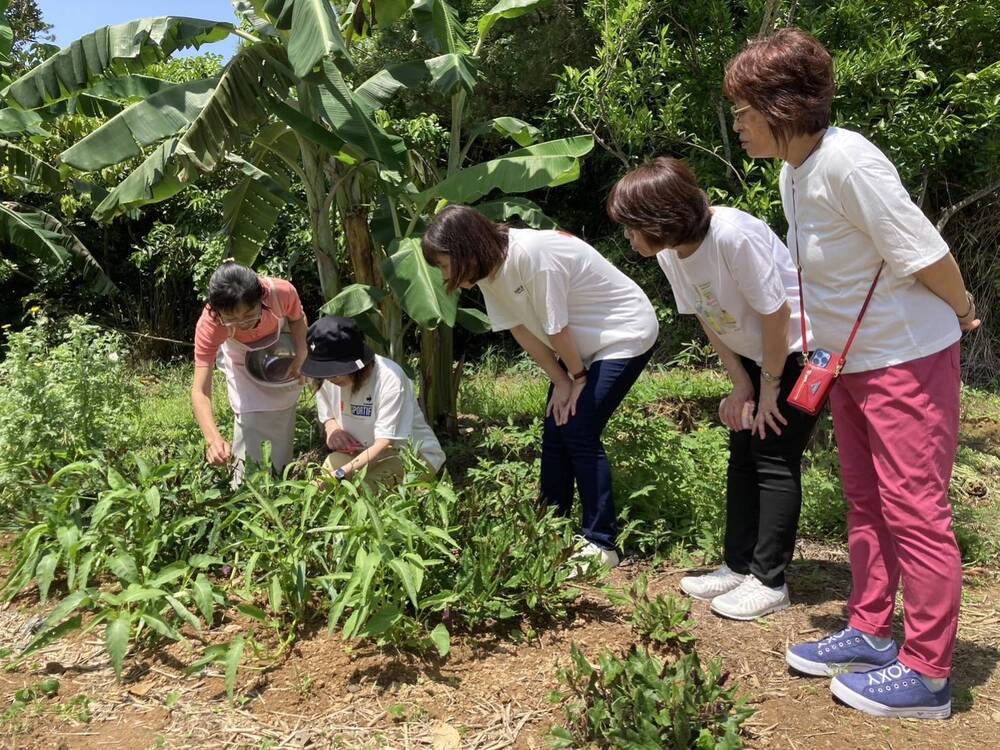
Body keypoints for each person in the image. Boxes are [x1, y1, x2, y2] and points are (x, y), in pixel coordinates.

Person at [724, 27, 980, 719]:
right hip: (846, 359)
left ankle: (928, 674)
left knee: (915, 512)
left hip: (905, 356)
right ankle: (870, 631)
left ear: (782, 106)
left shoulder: (849, 163)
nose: (737, 123)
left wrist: (963, 311)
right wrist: (813, 359)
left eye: (745, 108)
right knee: (867, 504)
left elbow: (924, 251)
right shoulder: (793, 170)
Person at [607, 156, 818, 620]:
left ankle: (769, 581)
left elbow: (776, 313)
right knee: (743, 455)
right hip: (755, 357)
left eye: (632, 226)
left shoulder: (731, 235)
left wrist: (769, 388)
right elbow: (707, 315)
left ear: (660, 219)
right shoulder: (669, 253)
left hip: (800, 352)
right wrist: (740, 384)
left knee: (774, 458)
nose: (627, 237)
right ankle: (737, 566)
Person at [421, 205, 659, 569]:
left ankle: (601, 542)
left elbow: (555, 327)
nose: (444, 275)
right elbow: (520, 328)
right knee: (556, 425)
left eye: (444, 264)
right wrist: (561, 381)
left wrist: (577, 380)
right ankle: (550, 528)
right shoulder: (487, 270)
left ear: (466, 249)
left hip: (622, 333)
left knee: (579, 427)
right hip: (577, 347)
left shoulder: (532, 254)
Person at [191, 262, 307, 482]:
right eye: (232, 318)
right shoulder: (211, 324)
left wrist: (301, 353)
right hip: (240, 359)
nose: (242, 322)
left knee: (284, 410)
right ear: (217, 312)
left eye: (250, 313)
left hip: (280, 351)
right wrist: (213, 439)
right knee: (249, 418)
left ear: (261, 299)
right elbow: (200, 391)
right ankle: (245, 488)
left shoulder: (280, 292)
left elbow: (297, 319)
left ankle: (280, 477)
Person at [302, 316, 445, 486]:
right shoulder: (327, 378)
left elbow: (385, 444)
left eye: (334, 372)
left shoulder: (389, 378)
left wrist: (339, 474)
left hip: (408, 456)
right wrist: (332, 429)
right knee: (328, 475)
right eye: (324, 372)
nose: (330, 379)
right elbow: (327, 413)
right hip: (360, 455)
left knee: (358, 490)